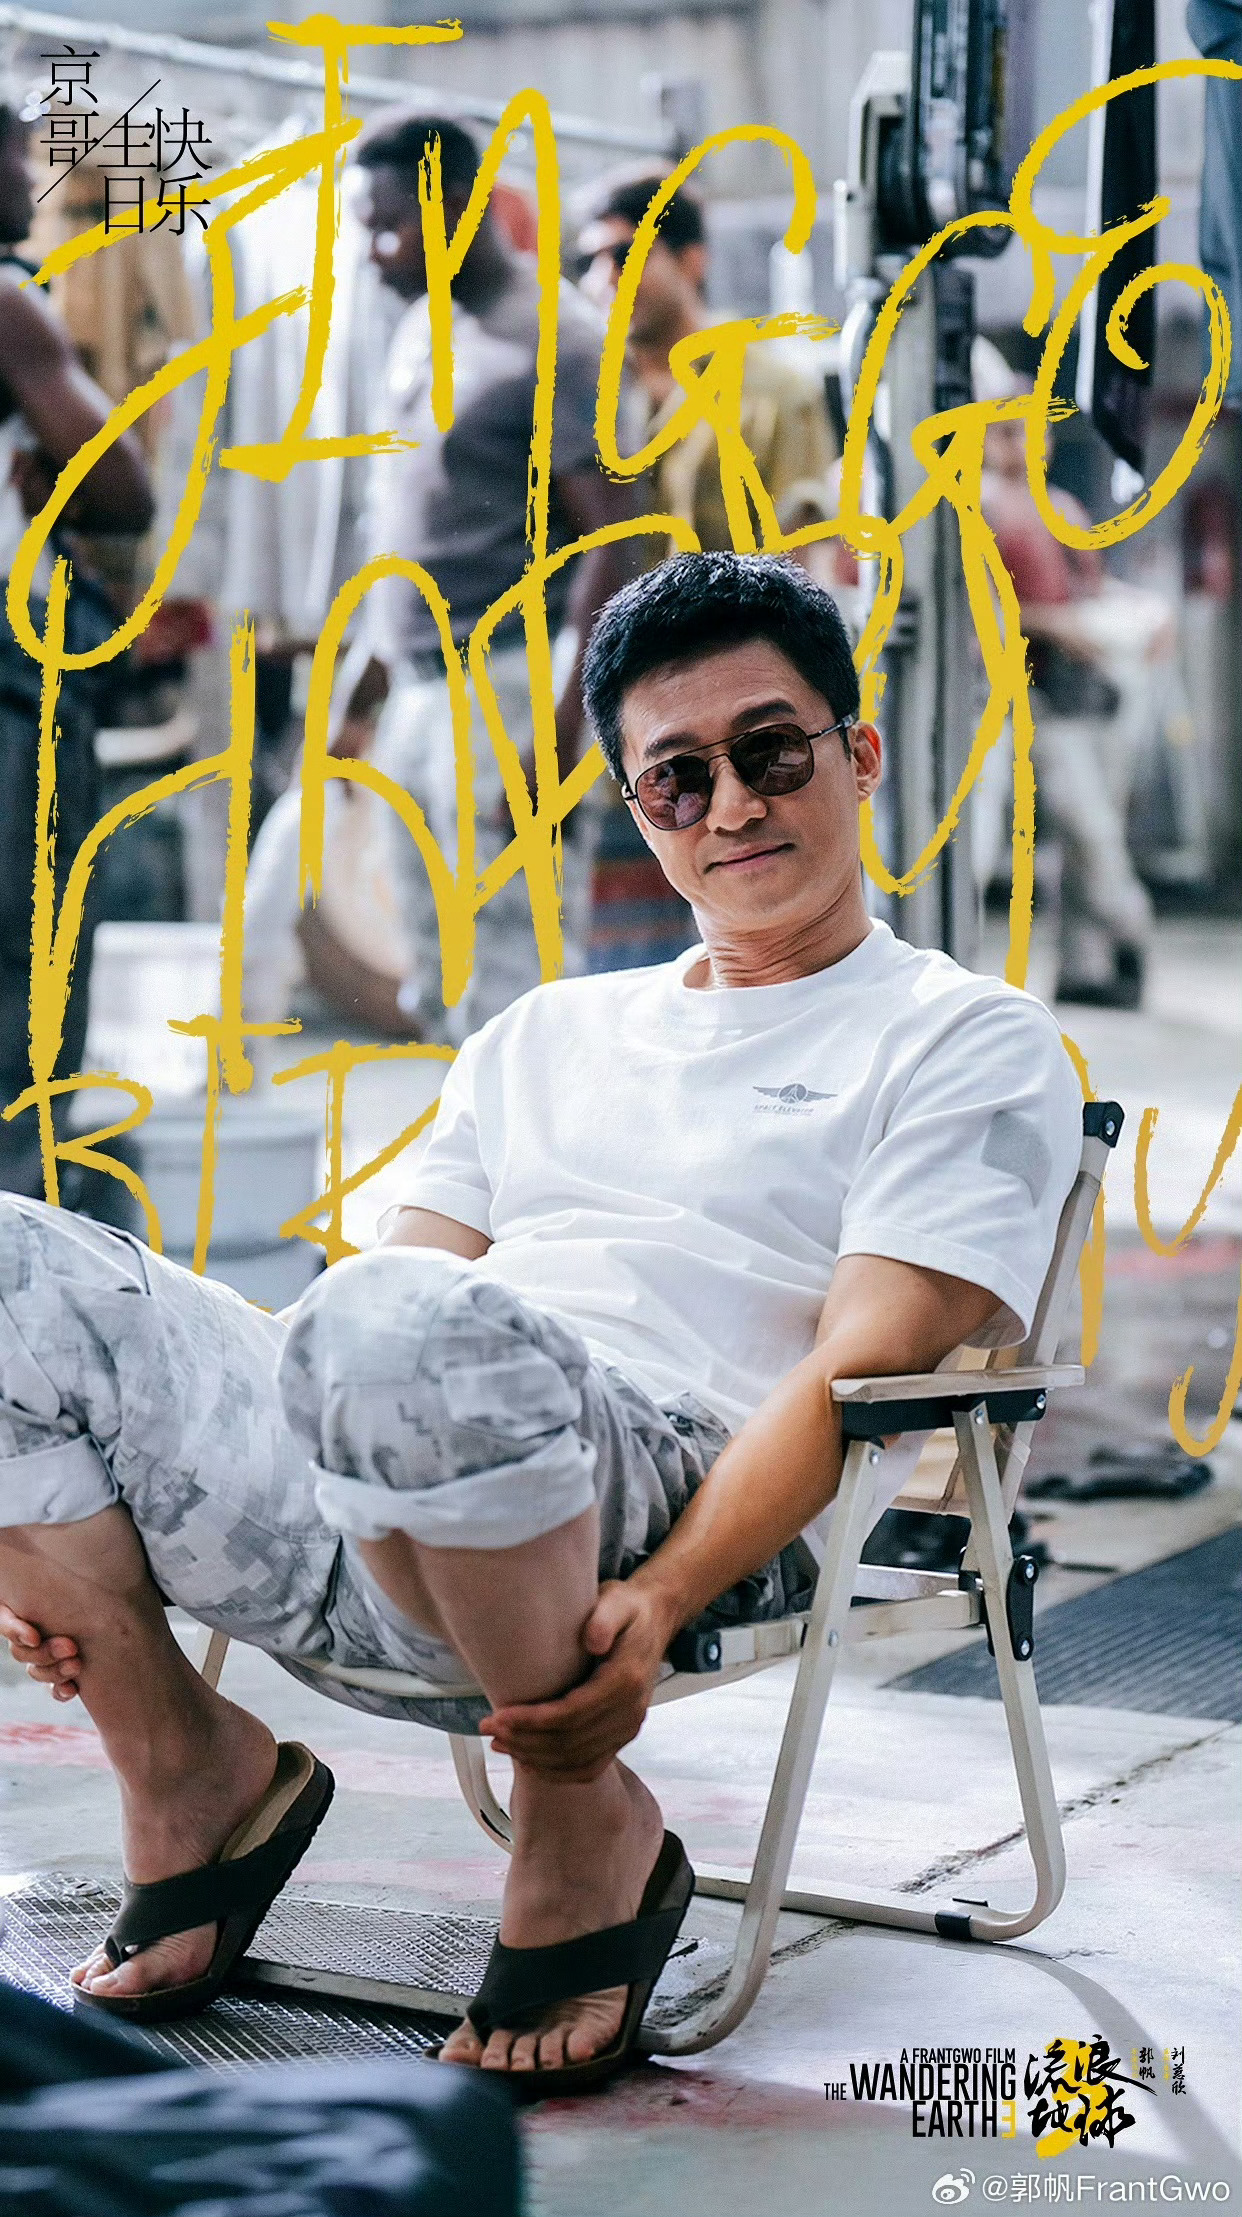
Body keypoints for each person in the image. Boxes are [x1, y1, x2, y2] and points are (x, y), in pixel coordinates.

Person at [0, 554, 1082, 2093]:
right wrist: (78, 1516)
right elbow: (355, 1318)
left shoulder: (959, 1037)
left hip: (675, 1490)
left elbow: (862, 1366)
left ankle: (584, 1822)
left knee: (405, 1329)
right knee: (31, 1271)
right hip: (409, 1458)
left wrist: (672, 1592)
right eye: (678, 777)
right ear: (637, 807)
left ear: (858, 755)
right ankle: (191, 1769)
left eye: (770, 753)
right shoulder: (543, 1033)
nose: (731, 805)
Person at [329, 112, 635, 1046]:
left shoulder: (562, 341)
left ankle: (531, 1145)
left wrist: (563, 726)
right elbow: (405, 522)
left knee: (515, 982)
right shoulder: (422, 330)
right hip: (421, 693)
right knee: (438, 977)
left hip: (508, 689)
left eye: (390, 226)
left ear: (455, 205)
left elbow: (617, 541)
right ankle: (469, 1143)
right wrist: (365, 683)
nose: (373, 254)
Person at [573, 169, 837, 972]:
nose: (606, 278)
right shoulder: (582, 394)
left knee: (752, 941)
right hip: (614, 721)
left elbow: (797, 568)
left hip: (730, 728)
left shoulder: (771, 387)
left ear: (691, 259)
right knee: (620, 961)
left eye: (627, 255)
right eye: (592, 262)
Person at [0, 104, 154, 1197]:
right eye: (15, 158)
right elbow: (125, 488)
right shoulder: (10, 306)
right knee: (28, 979)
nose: (33, 181)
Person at [979, 361, 1170, 1009]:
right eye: (1009, 432)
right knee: (1084, 827)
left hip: (1080, 693)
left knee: (1092, 830)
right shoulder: (980, 506)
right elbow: (985, 610)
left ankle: (1088, 968)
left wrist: (1144, 612)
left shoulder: (1059, 506)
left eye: (1033, 431)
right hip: (1021, 696)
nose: (1024, 444)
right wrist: (1056, 627)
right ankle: (1129, 926)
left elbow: (1088, 587)